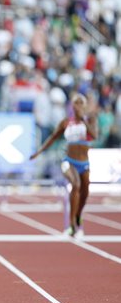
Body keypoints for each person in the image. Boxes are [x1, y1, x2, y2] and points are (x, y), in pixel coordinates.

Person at [30, 93, 98, 237]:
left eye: (81, 103)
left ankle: (78, 214)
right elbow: (53, 137)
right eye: (76, 103)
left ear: (84, 106)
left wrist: (83, 120)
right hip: (68, 161)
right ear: (72, 105)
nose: (78, 105)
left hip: (84, 163)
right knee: (76, 185)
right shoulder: (66, 122)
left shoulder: (90, 119)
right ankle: (72, 223)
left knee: (85, 192)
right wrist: (39, 152)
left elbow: (94, 135)